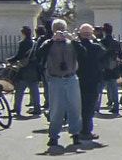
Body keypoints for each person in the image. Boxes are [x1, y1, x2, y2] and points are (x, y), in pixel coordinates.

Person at [39, 20, 81, 152]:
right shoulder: (48, 44)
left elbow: (84, 53)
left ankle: (75, 133)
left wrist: (73, 40)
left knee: (74, 107)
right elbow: (38, 55)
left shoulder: (71, 43)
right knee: (56, 108)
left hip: (71, 77)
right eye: (57, 29)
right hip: (55, 79)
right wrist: (52, 40)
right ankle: (53, 135)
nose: (60, 31)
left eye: (62, 29)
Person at [74, 23, 109, 143]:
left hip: (79, 78)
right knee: (89, 107)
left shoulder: (76, 46)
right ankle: (86, 131)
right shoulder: (95, 47)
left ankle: (78, 129)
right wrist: (95, 39)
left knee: (80, 105)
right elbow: (105, 51)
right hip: (93, 79)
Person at [97, 23, 122, 116]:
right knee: (113, 87)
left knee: (99, 88)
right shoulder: (116, 42)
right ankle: (116, 105)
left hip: (102, 67)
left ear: (104, 31)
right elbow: (120, 55)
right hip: (113, 66)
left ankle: (96, 106)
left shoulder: (101, 42)